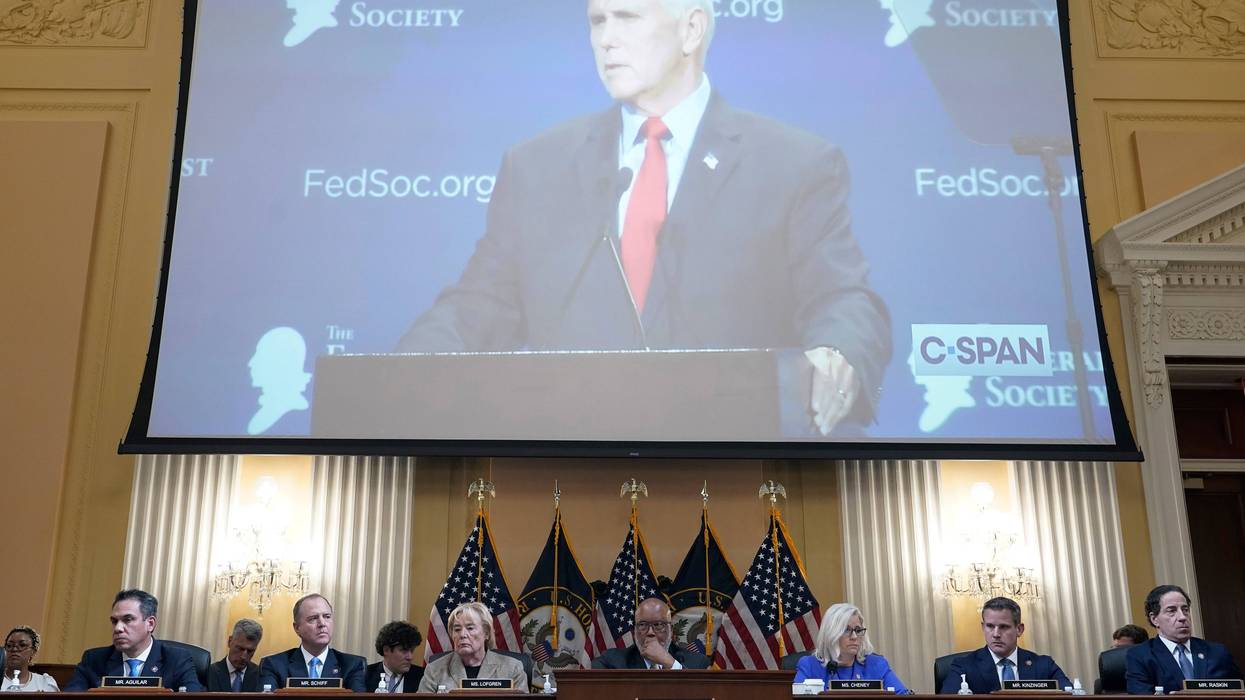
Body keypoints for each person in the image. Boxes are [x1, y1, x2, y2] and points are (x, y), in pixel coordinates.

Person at [396, 0, 891, 437]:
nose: (606, 39)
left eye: (627, 17)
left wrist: (838, 352)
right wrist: (398, 374)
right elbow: (482, 307)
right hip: (573, 470)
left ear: (691, 30)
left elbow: (842, 298)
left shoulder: (793, 164)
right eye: (597, 21)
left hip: (737, 465)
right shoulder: (537, 167)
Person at [64, 589, 204, 691]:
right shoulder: (93, 660)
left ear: (150, 624)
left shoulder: (177, 659)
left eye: (128, 620)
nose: (118, 628)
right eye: (114, 621)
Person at [1124, 584, 1242, 694]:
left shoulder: (1217, 652)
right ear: (1154, 619)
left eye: (1185, 610)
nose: (1182, 617)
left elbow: (1239, 691)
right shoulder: (1140, 656)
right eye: (1172, 611)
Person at [939, 596, 1070, 694]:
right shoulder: (964, 666)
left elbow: (1072, 695)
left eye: (1003, 627)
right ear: (983, 627)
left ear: (1019, 629)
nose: (996, 634)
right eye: (990, 626)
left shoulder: (1044, 665)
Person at [258, 593, 366, 691]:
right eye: (313, 618)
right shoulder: (274, 665)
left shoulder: (352, 665)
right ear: (297, 628)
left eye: (327, 616)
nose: (322, 623)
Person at [794, 603, 906, 692]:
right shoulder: (809, 666)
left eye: (858, 630)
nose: (854, 637)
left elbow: (903, 695)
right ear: (831, 633)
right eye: (846, 630)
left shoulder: (876, 665)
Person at [418, 602, 528, 692]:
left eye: (470, 628)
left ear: (486, 633)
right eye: (457, 629)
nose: (462, 634)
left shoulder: (512, 668)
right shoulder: (435, 670)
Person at [592, 597, 711, 669]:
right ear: (634, 632)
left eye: (658, 625)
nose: (650, 632)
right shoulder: (612, 661)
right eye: (643, 625)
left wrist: (670, 664)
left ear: (671, 631)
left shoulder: (697, 662)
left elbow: (700, 692)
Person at [364, 621, 424, 693]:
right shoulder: (365, 675)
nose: (410, 657)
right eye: (404, 651)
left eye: (412, 651)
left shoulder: (422, 676)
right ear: (386, 650)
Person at [207, 618, 264, 692]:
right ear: (230, 641)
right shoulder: (210, 673)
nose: (243, 657)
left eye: (250, 651)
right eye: (240, 648)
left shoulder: (261, 676)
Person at [1, 626, 60, 692]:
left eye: (22, 645)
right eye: (9, 645)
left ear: (33, 652)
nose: (14, 649)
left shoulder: (44, 683)